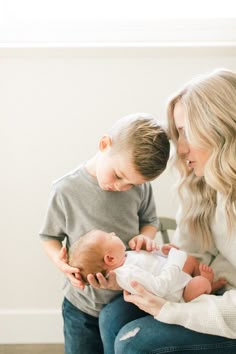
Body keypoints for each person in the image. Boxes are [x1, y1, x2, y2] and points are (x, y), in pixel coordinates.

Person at [99, 69, 236, 354]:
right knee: (112, 317)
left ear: (219, 127)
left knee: (134, 343)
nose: (181, 148)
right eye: (177, 134)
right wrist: (137, 270)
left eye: (185, 132)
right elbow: (194, 255)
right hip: (215, 287)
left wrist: (170, 309)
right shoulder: (207, 183)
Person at [39, 113, 170, 354]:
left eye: (131, 183)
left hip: (127, 299)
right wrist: (61, 263)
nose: (122, 187)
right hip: (82, 304)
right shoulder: (66, 190)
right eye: (119, 176)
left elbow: (149, 221)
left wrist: (146, 237)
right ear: (104, 145)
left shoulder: (140, 188)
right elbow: (49, 237)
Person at [69, 229, 225, 303]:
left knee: (190, 260)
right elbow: (160, 287)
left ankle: (207, 285)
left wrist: (162, 251)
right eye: (110, 237)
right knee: (199, 283)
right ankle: (208, 288)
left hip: (175, 275)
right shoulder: (128, 275)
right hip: (179, 292)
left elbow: (152, 262)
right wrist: (175, 260)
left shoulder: (126, 257)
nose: (113, 233)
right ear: (110, 258)